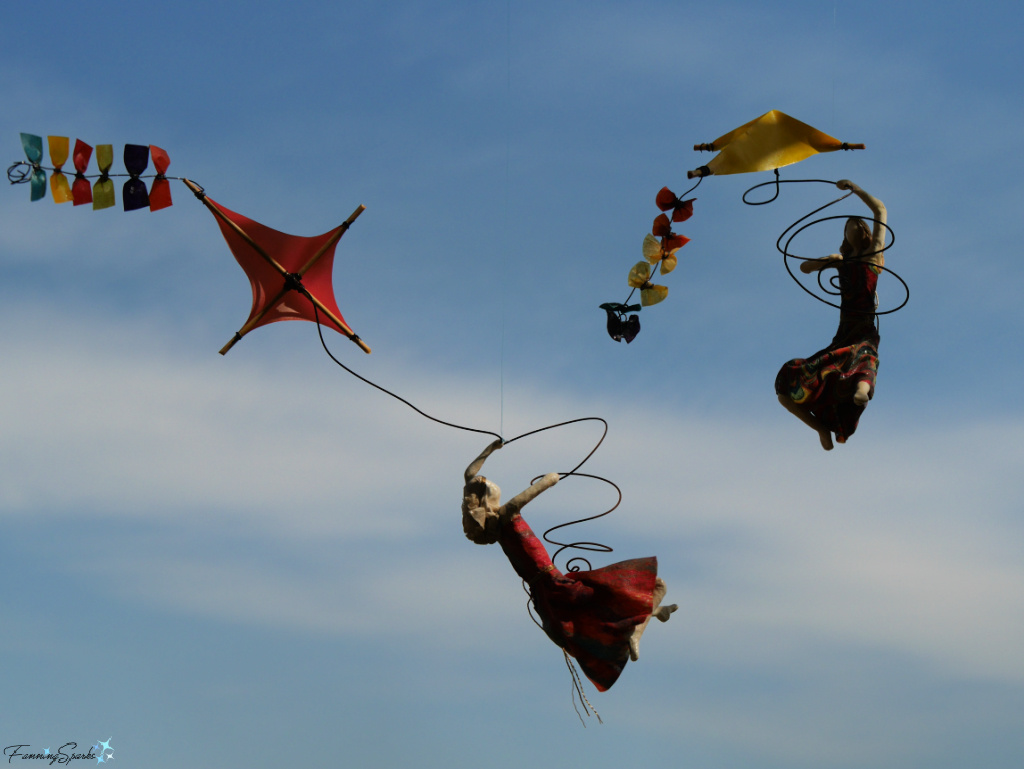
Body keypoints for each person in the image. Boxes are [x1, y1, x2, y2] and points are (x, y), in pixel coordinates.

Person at [462, 439, 676, 691]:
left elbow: (469, 473)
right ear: (487, 505)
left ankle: (644, 619)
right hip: (551, 584)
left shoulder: (497, 526)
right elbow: (520, 499)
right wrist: (549, 481)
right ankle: (643, 620)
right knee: (636, 591)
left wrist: (491, 449)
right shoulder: (506, 517)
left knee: (601, 607)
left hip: (546, 587)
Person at [776, 179, 887, 450]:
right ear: (845, 236)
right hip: (842, 333)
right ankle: (820, 429)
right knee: (785, 388)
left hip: (863, 328)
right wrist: (827, 261)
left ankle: (863, 390)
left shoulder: (873, 256)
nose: (855, 228)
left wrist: (857, 189)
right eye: (849, 226)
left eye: (859, 226)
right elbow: (803, 269)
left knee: (863, 358)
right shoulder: (841, 262)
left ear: (866, 234)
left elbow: (880, 211)